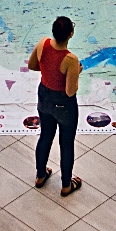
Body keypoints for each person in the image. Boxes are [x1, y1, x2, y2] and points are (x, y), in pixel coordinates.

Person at [28, 16, 83, 196]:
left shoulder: (43, 44)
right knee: (66, 143)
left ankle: (40, 175)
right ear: (71, 34)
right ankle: (66, 185)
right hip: (64, 105)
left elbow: (32, 65)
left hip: (44, 97)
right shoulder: (70, 59)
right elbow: (70, 91)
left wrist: (48, 72)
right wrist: (76, 73)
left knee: (45, 136)